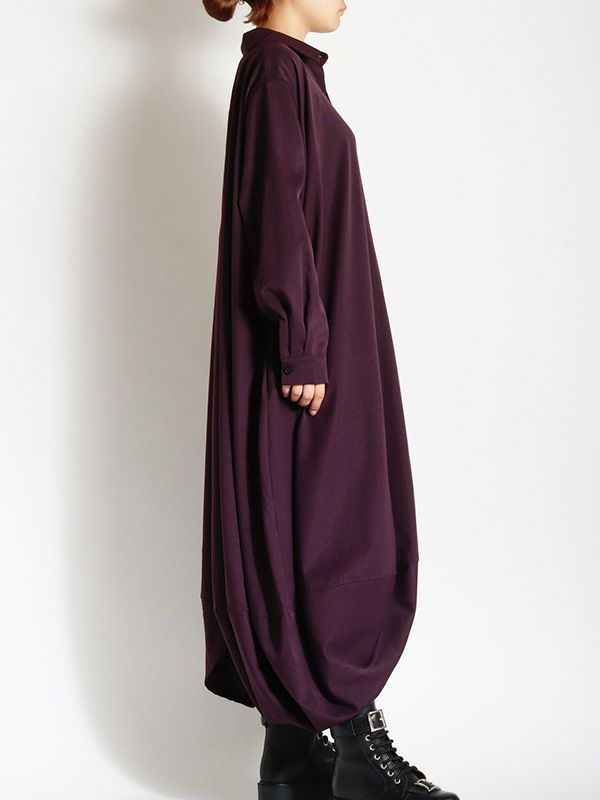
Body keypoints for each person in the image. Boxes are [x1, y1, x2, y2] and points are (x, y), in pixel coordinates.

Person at [200, 1, 460, 798]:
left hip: (317, 342)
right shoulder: (274, 73)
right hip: (303, 354)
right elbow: (277, 214)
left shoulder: (287, 75)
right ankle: (356, 752)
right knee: (332, 531)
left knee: (307, 525)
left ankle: (289, 760)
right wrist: (303, 343)